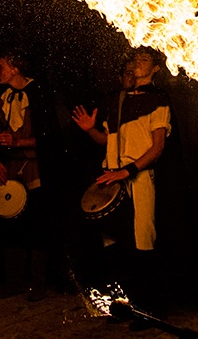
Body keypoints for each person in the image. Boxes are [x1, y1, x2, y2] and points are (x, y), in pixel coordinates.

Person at [71, 48, 172, 309]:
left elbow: (157, 147)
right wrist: (90, 129)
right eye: (135, 58)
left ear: (156, 69)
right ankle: (127, 304)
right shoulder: (116, 100)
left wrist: (128, 171)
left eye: (145, 60)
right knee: (112, 242)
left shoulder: (159, 99)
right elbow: (106, 141)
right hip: (112, 178)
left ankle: (151, 307)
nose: (137, 62)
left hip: (138, 178)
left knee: (142, 241)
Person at [0, 50, 55, 301]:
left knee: (37, 226)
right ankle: (13, 282)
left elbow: (50, 139)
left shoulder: (40, 94)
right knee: (10, 224)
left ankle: (38, 285)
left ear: (15, 69)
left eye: (1, 65)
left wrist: (18, 142)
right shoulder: (4, 96)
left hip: (35, 169)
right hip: (11, 170)